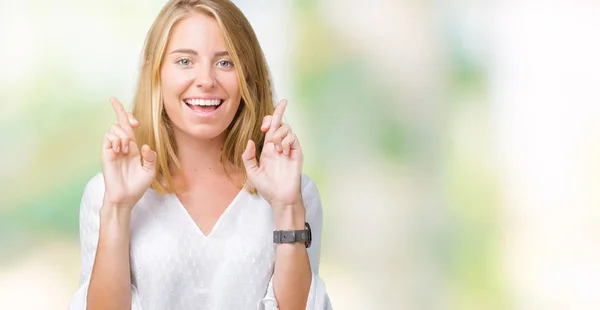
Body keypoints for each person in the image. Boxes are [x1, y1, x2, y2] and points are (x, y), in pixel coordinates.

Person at [68, 0, 332, 309]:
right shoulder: (105, 194)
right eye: (184, 61)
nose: (206, 80)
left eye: (225, 62)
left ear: (248, 76)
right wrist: (117, 207)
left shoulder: (296, 193)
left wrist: (287, 207)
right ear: (155, 73)